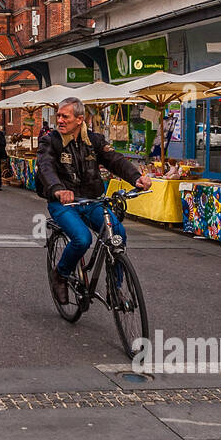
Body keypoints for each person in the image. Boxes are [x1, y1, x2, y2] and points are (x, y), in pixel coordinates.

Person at [38, 96, 151, 305]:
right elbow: (45, 167)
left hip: (91, 200)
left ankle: (114, 288)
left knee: (118, 232)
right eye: (58, 116)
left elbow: (115, 160)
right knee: (82, 239)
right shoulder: (50, 141)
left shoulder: (94, 141)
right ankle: (60, 274)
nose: (60, 120)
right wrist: (58, 189)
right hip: (63, 203)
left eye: (65, 117)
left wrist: (137, 178)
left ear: (79, 119)